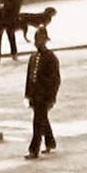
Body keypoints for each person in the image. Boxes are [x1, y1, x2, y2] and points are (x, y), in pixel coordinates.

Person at [24, 27, 60, 159]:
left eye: (39, 39)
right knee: (42, 118)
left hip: (44, 96)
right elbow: (29, 77)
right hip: (35, 95)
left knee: (37, 122)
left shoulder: (51, 58)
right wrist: (27, 95)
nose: (37, 42)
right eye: (36, 39)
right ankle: (50, 142)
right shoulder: (33, 57)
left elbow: (55, 79)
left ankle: (34, 149)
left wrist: (52, 97)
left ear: (45, 40)